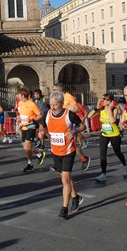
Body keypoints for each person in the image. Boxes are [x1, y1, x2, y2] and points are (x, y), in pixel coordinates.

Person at [45, 91, 86, 220]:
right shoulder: (48, 114)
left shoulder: (70, 115)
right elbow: (43, 127)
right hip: (55, 151)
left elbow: (83, 126)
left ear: (62, 104)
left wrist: (74, 130)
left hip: (68, 151)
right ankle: (75, 197)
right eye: (51, 104)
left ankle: (64, 208)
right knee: (65, 177)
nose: (52, 107)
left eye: (55, 105)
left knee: (65, 180)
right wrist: (43, 134)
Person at [87, 93, 126, 181]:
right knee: (102, 154)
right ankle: (103, 173)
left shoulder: (114, 109)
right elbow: (89, 116)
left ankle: (125, 166)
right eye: (104, 99)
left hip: (114, 133)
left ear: (111, 101)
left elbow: (112, 121)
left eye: (107, 99)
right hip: (104, 133)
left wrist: (109, 109)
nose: (105, 101)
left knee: (117, 151)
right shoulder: (101, 109)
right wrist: (97, 107)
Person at [17, 87, 46, 172]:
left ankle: (30, 164)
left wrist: (33, 120)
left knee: (27, 146)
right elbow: (21, 114)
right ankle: (39, 153)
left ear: (22, 95)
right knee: (26, 147)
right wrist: (20, 122)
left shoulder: (32, 104)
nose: (17, 96)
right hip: (24, 127)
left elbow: (40, 115)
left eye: (18, 94)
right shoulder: (20, 103)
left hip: (31, 126)